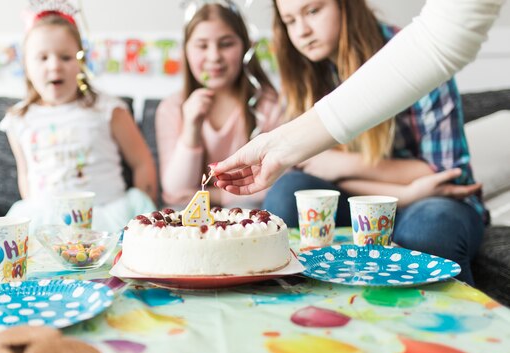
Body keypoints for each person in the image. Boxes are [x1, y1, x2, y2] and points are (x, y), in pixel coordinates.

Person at [212, 0, 505, 284]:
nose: (301, 30)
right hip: (369, 196)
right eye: (290, 21)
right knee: (288, 192)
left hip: (436, 201)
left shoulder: (412, 53)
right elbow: (315, 172)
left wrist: (341, 165)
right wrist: (403, 192)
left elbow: (442, 174)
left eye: (313, 11)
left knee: (429, 229)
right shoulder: (301, 69)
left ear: (346, 5)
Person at [0, 10, 157, 233]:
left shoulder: (107, 109)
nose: (54, 66)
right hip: (46, 220)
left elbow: (142, 162)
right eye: (43, 58)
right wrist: (35, 209)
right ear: (26, 64)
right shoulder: (18, 119)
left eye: (65, 57)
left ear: (81, 61)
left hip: (107, 213)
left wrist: (144, 216)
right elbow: (25, 173)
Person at [155, 1, 282, 209]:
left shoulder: (268, 105)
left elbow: (276, 183)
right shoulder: (170, 109)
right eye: (202, 46)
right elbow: (175, 193)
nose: (214, 57)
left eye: (226, 44)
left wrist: (215, 196)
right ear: (186, 50)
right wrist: (191, 130)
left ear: (245, 47)